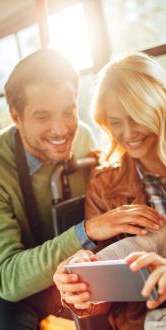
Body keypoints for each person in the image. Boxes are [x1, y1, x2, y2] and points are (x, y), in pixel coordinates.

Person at [0, 48, 158, 330]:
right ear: (16, 116)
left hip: (65, 274)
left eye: (69, 112)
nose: (61, 129)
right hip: (6, 290)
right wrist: (87, 230)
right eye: (42, 116)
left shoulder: (83, 138)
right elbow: (8, 280)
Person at [53, 52, 166, 329]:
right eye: (115, 121)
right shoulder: (105, 185)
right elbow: (109, 299)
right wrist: (81, 286)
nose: (128, 133)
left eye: (136, 117)